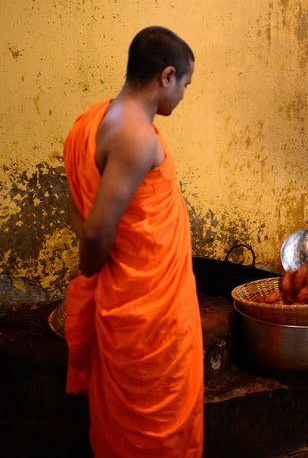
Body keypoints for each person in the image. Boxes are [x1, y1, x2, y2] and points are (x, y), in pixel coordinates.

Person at [62, 26, 203, 457]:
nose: (182, 96)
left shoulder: (95, 118)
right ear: (166, 76)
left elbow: (74, 204)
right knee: (154, 431)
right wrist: (92, 267)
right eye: (185, 85)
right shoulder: (135, 139)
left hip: (138, 299)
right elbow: (97, 231)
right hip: (148, 315)